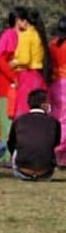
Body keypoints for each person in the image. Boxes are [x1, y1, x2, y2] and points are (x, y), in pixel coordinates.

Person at [8, 88, 59, 181]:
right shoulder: (54, 122)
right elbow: (56, 142)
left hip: (22, 172)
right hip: (46, 173)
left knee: (17, 147)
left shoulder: (19, 120)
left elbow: (11, 143)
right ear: (43, 105)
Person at [10, 6, 52, 117]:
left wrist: (14, 62)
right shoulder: (38, 34)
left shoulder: (26, 35)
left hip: (27, 75)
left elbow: (25, 59)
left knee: (24, 107)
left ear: (25, 21)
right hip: (38, 75)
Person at [0, 11, 19, 139]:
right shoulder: (10, 35)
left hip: (18, 85)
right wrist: (14, 77)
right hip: (7, 86)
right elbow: (1, 60)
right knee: (7, 123)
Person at [48, 16, 66, 166]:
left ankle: (54, 148)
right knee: (64, 120)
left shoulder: (53, 44)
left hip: (53, 84)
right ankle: (60, 151)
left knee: (55, 116)